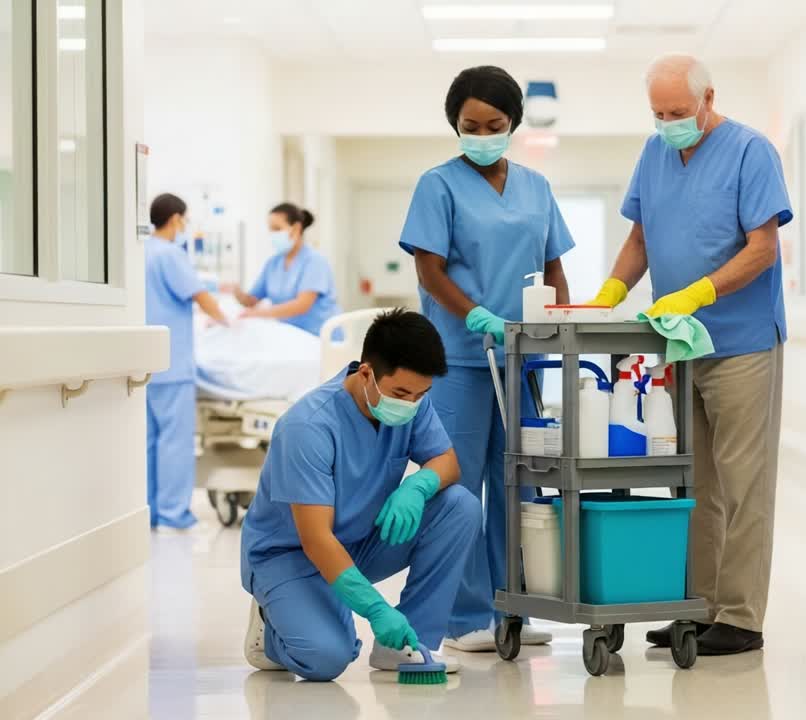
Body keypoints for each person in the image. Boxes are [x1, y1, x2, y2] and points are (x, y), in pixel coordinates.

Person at [585, 53, 791, 656]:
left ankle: (741, 616)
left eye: (679, 111)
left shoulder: (751, 151)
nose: (669, 122)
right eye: (658, 113)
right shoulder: (654, 154)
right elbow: (641, 238)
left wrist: (702, 290)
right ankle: (698, 607)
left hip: (741, 342)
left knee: (745, 482)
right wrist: (607, 295)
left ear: (708, 99)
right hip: (678, 343)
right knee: (693, 483)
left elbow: (764, 248)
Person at [397, 65, 573, 652]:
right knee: (460, 486)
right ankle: (464, 616)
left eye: (493, 124)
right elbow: (429, 268)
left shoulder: (536, 187)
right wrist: (474, 314)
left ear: (513, 123)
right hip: (458, 357)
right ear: (455, 125)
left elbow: (553, 265)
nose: (481, 134)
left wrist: (561, 326)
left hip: (521, 356)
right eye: (469, 125)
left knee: (519, 481)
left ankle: (514, 606)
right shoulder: (437, 185)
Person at [239, 309, 481, 681]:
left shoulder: (411, 401)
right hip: (292, 555)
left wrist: (417, 487)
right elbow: (317, 539)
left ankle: (403, 646)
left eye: (421, 394)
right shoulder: (307, 428)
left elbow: (447, 462)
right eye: (402, 393)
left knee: (460, 506)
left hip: (358, 541)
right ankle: (272, 625)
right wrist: (375, 609)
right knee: (327, 658)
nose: (411, 403)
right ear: (365, 372)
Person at [144, 193, 229, 530]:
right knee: (175, 442)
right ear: (177, 219)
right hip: (173, 364)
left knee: (148, 443)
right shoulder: (170, 254)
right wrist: (228, 322)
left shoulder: (142, 252)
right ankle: (173, 514)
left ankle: (149, 511)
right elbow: (200, 296)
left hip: (144, 364)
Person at [225, 203, 340, 335]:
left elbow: (302, 305)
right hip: (291, 335)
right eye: (271, 230)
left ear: (296, 229)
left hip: (319, 338)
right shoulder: (273, 263)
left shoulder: (314, 261)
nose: (273, 234)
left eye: (277, 229)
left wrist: (258, 313)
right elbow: (251, 301)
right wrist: (236, 291)